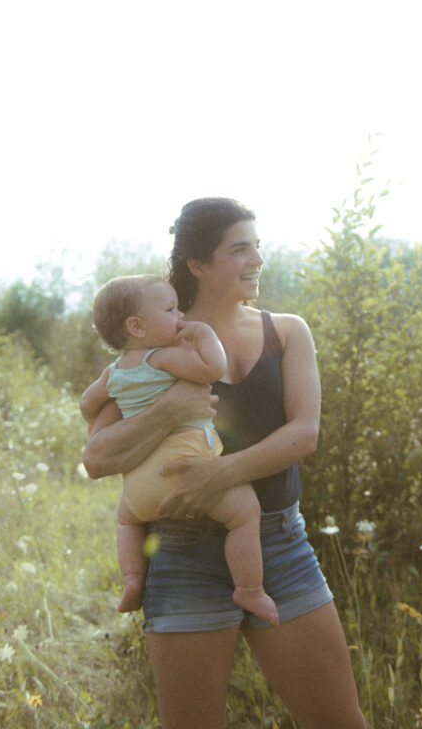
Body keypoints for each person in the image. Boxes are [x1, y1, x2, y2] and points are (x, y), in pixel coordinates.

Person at [83, 198, 369, 729]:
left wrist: (222, 474)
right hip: (181, 552)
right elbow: (97, 458)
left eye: (257, 246)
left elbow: (303, 435)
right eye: (240, 249)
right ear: (197, 264)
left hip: (279, 544)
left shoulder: (287, 332)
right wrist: (173, 406)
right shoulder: (157, 339)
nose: (257, 259)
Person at [81, 274, 279, 625]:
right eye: (171, 310)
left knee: (126, 519)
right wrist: (204, 335)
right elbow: (211, 369)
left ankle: (132, 579)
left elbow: (86, 404)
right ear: (137, 327)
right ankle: (249, 589)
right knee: (245, 511)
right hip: (185, 467)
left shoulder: (113, 374)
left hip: (140, 487)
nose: (181, 317)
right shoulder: (162, 358)